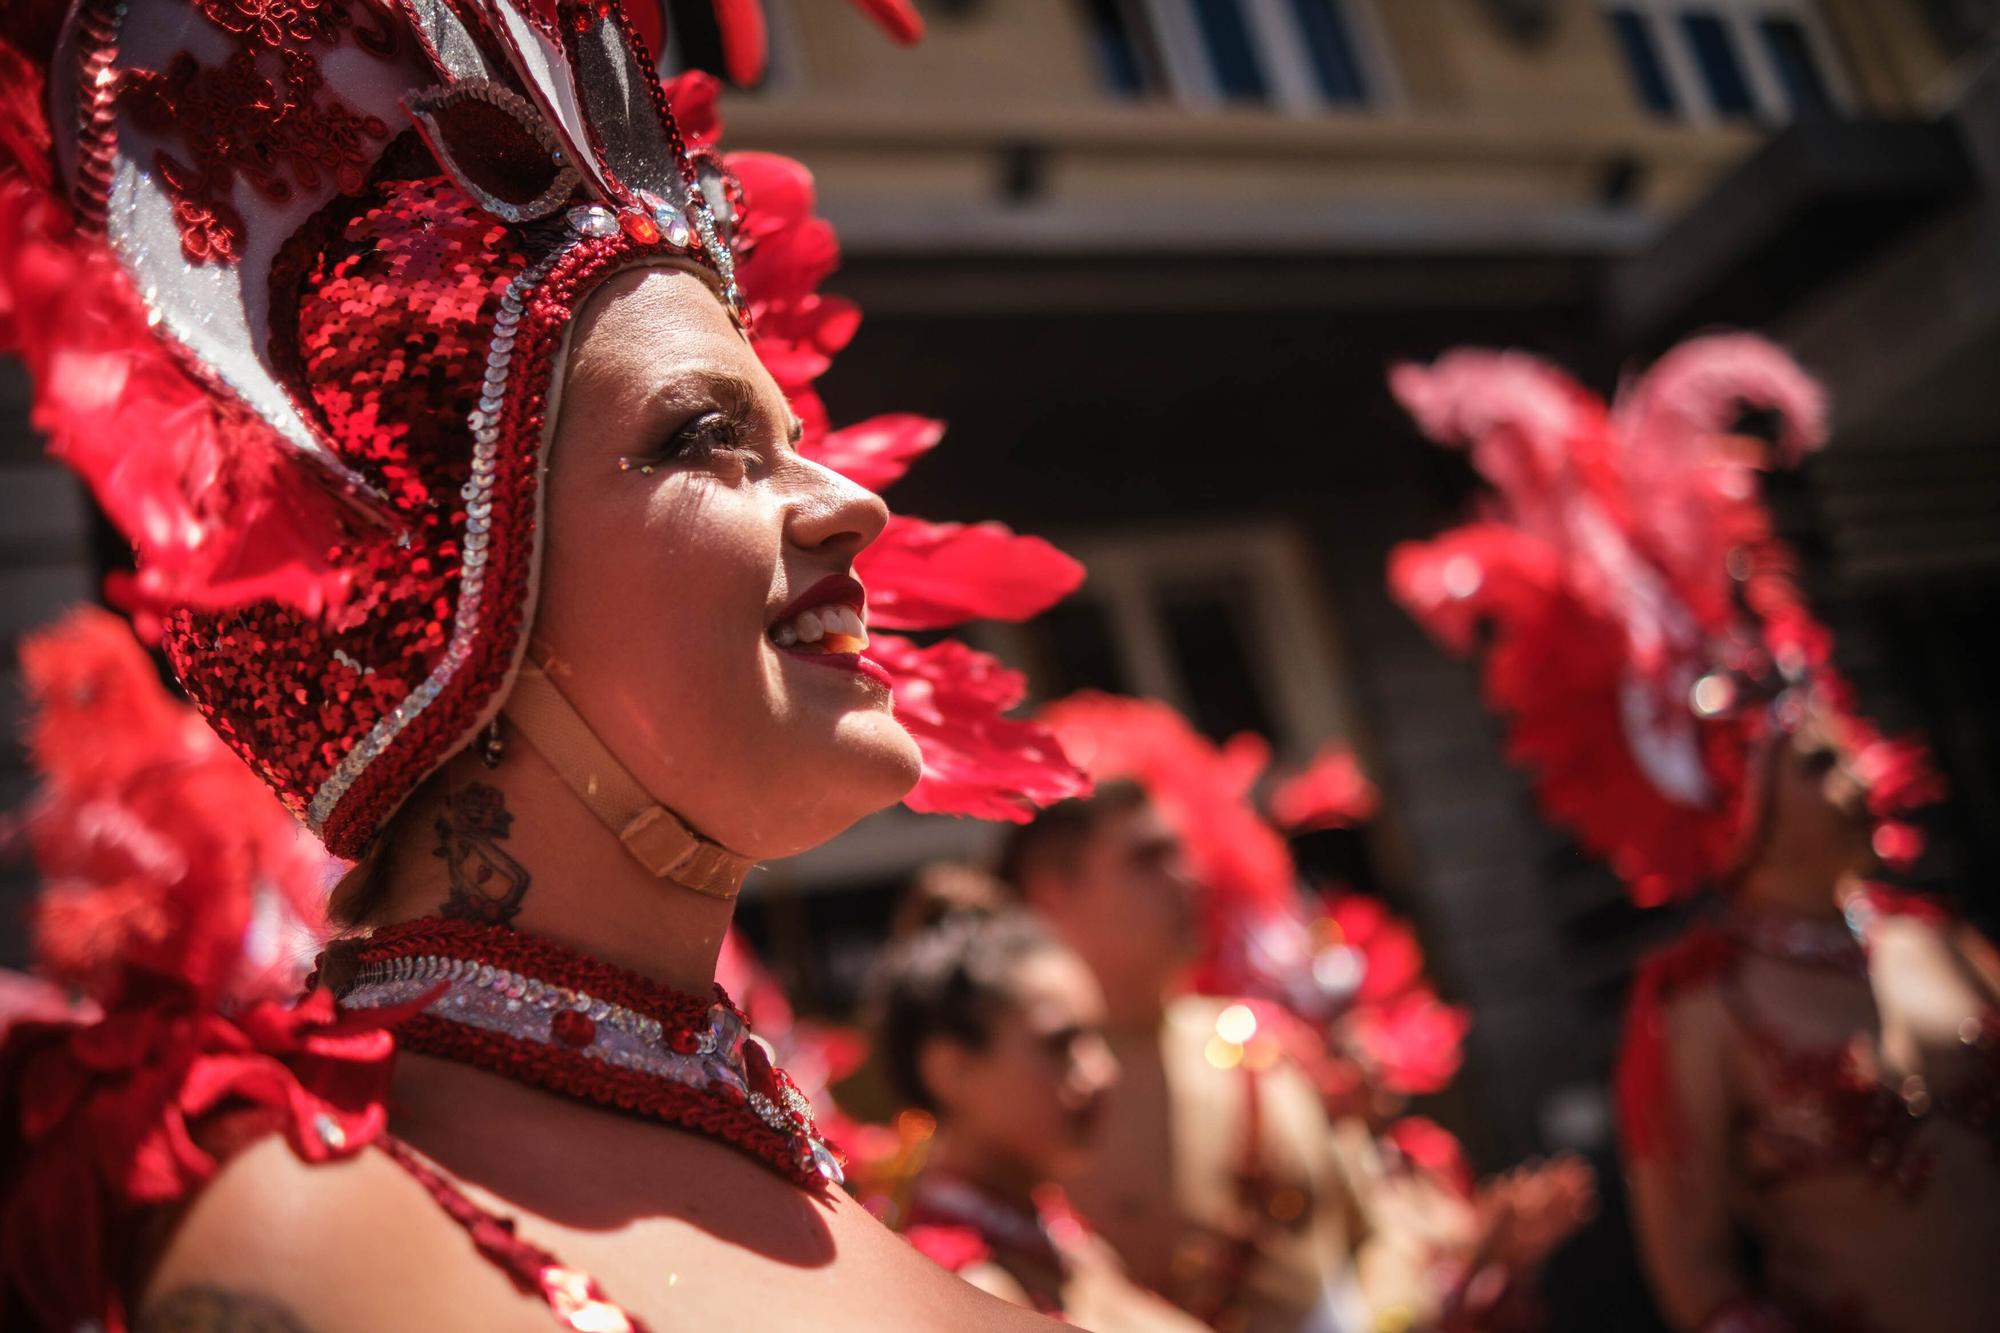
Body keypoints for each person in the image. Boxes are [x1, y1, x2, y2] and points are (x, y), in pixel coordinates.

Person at [0, 1, 1098, 1328]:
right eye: (703, 439)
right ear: (456, 597)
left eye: (795, 434)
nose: (848, 503)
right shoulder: (316, 1222)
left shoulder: (804, 1175)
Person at [1389, 335, 2000, 1331]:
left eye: (1838, 741)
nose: (1851, 765)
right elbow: (1695, 1276)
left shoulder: (1937, 937)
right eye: (1808, 761)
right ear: (1728, 813)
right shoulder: (1697, 1013)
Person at [1000, 782, 1372, 1333]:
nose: (1190, 875)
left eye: (1181, 850)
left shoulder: (1268, 1043)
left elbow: (1373, 1234)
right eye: (1147, 858)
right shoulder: (1016, 1102)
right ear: (1052, 893)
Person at [868, 895, 1207, 1330]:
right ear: (951, 1070)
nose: (1101, 1072)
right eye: (1059, 1044)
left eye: (1097, 1037)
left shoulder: (1053, 1234)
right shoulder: (967, 1285)